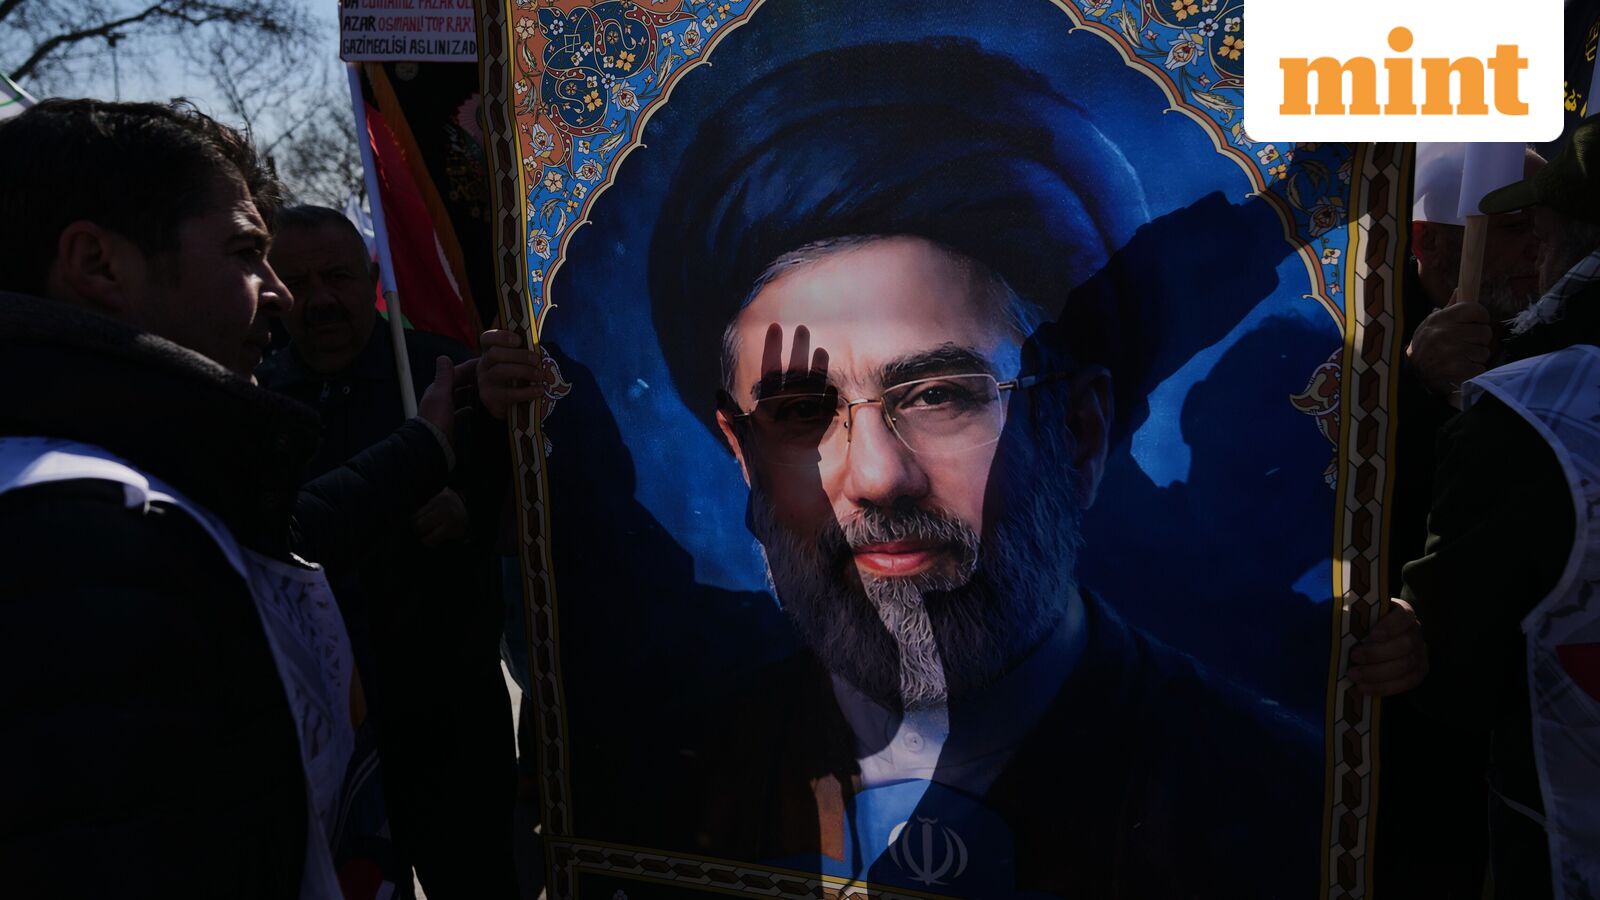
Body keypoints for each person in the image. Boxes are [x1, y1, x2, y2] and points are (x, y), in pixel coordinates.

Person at [489, 38, 1337, 897]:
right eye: (801, 413)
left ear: (1079, 432)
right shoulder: (663, 770)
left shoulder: (1282, 812)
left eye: (938, 395)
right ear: (741, 453)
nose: (877, 476)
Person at [0, 99, 463, 898]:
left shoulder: (142, 498)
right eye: (249, 254)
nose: (281, 297)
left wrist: (428, 443)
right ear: (98, 264)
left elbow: (288, 531)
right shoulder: (81, 536)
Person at [259, 206, 518, 899]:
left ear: (371, 276)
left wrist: (469, 507)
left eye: (338, 277)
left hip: (451, 718)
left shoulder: (449, 375)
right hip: (329, 736)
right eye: (297, 282)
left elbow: (524, 499)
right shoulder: (254, 399)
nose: (320, 299)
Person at [1391, 114, 1600, 899]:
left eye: (1533, 228)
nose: (1529, 250)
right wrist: (1412, 392)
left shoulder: (1545, 370)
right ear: (1429, 244)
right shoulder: (1351, 348)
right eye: (1508, 229)